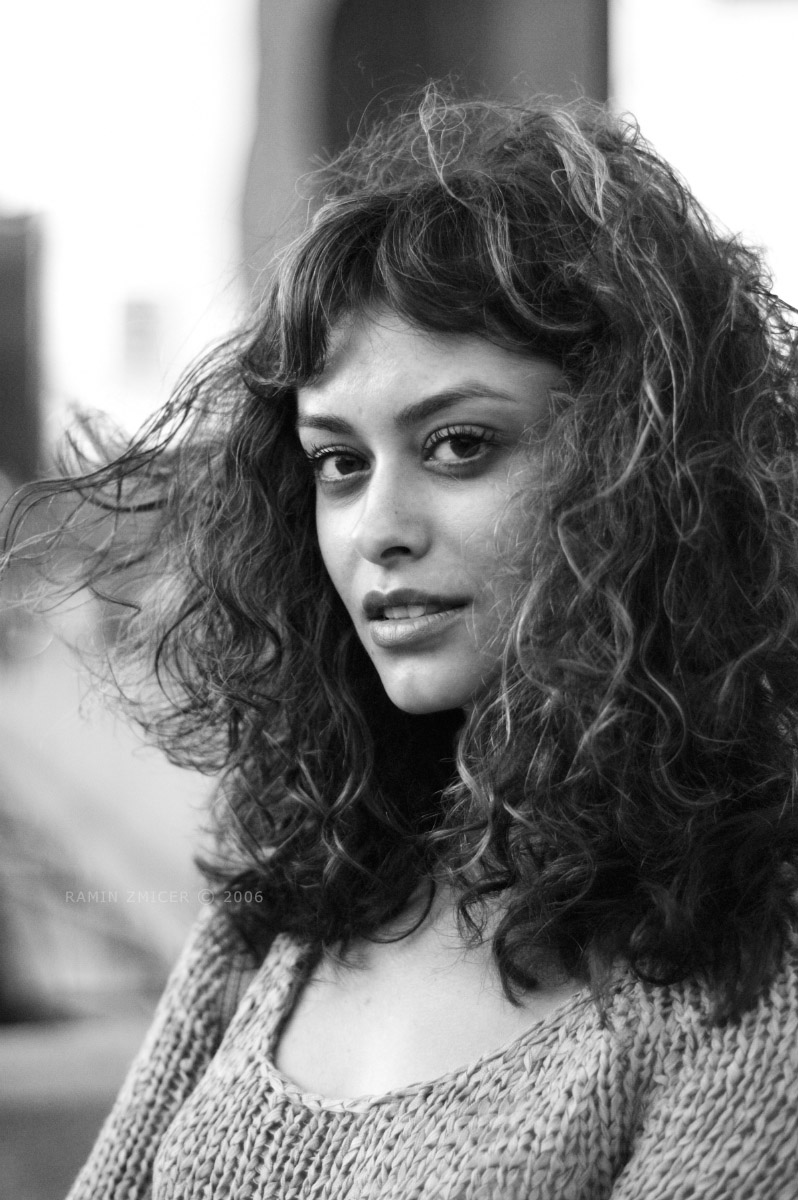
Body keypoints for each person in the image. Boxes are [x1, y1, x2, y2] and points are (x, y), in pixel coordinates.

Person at [14, 89, 798, 1197]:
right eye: (340, 463)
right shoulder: (297, 894)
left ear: (647, 471)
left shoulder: (749, 966)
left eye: (460, 445)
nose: (377, 528)